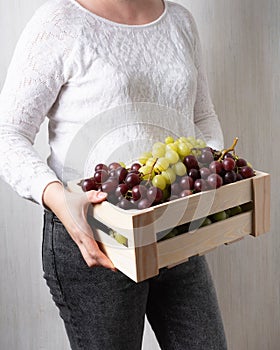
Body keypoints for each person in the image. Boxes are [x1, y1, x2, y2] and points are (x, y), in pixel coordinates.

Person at [0, 0, 227, 349]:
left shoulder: (180, 19)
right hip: (94, 237)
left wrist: (211, 181)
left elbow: (202, 117)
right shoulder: (60, 21)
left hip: (175, 229)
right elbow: (8, 133)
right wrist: (58, 198)